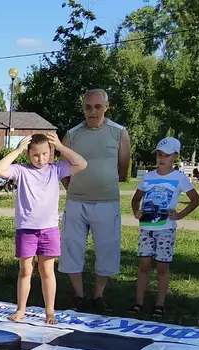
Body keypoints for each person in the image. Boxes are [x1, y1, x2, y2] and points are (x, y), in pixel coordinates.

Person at [0, 131, 88, 325]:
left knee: (47, 271)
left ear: (51, 153)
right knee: (25, 269)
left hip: (49, 229)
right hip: (26, 229)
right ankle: (21, 309)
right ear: (28, 154)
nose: (41, 158)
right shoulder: (21, 170)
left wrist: (61, 147)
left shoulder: (56, 169)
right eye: (36, 154)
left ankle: (50, 311)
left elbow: (82, 164)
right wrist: (17, 149)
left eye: (45, 154)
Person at [59, 89, 131, 312]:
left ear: (106, 107)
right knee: (72, 247)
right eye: (88, 107)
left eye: (98, 107)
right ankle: (78, 296)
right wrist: (76, 190)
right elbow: (62, 170)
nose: (93, 111)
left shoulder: (119, 133)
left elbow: (123, 168)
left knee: (107, 248)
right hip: (76, 202)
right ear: (82, 108)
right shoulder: (72, 135)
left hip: (107, 201)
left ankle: (98, 296)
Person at [130, 137, 199, 319]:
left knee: (162, 266)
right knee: (144, 264)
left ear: (175, 156)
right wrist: (136, 211)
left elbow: (195, 200)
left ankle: (159, 304)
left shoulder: (179, 178)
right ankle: (138, 302)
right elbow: (136, 198)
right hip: (146, 227)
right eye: (159, 155)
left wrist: (179, 214)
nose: (161, 158)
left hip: (166, 228)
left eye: (166, 155)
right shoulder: (148, 176)